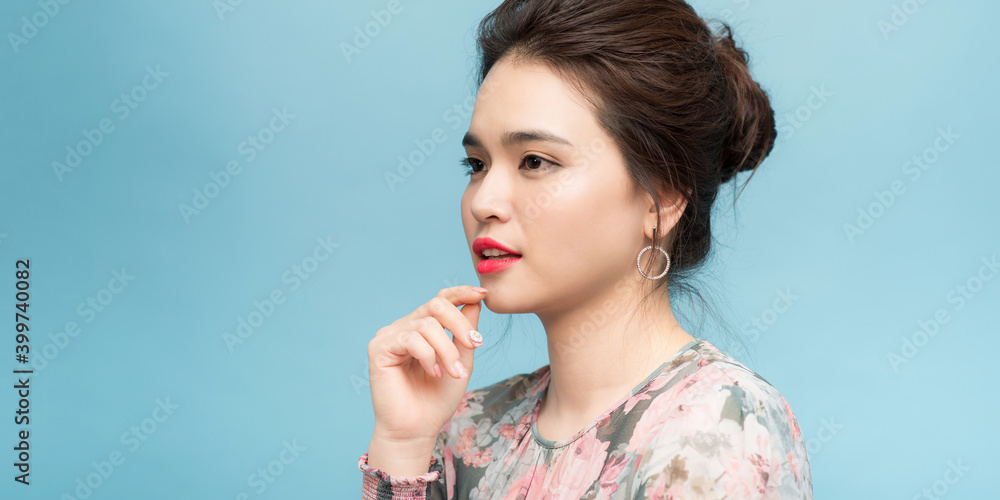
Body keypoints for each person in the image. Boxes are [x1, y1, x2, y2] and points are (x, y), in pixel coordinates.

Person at [359, 0, 813, 498]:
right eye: (477, 165)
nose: (484, 201)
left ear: (661, 199)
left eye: (535, 161)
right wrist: (402, 446)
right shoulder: (469, 429)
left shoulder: (717, 429)